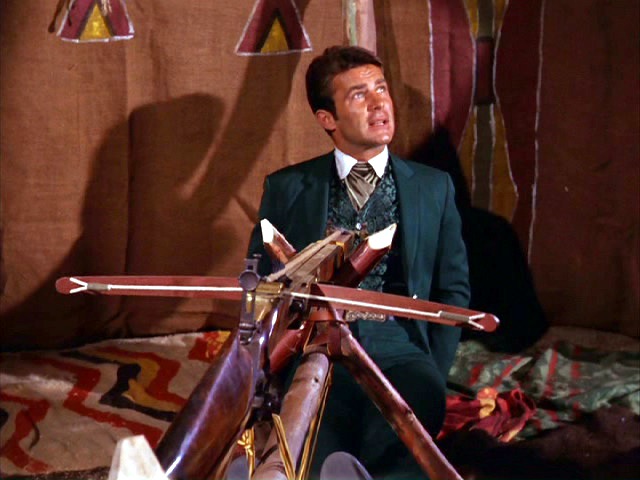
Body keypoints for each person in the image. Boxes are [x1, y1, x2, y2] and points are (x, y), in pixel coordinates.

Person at [247, 45, 470, 479]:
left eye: (381, 89)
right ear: (327, 119)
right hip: (317, 350)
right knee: (315, 448)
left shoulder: (433, 187)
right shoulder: (287, 187)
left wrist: (434, 366)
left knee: (407, 434)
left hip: (401, 347)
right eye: (358, 95)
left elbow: (453, 287)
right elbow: (260, 288)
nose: (379, 103)